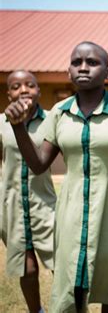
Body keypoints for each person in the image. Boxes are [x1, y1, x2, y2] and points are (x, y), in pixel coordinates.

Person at [4, 41, 108, 312]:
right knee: (72, 289)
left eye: (93, 62)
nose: (83, 67)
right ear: (68, 71)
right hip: (70, 215)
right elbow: (38, 165)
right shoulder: (59, 112)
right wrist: (18, 128)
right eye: (76, 62)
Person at [1, 70, 56, 313]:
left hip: (45, 203)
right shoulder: (1, 124)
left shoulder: (53, 121)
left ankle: (70, 308)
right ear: (8, 93)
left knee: (61, 264)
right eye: (16, 86)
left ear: (39, 90)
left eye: (29, 85)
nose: (23, 90)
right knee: (28, 269)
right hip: (12, 204)